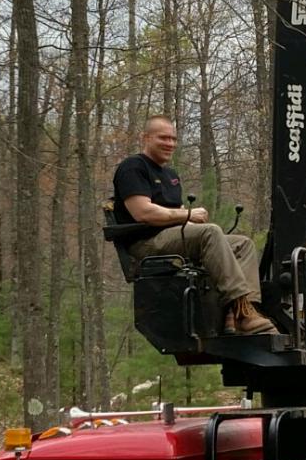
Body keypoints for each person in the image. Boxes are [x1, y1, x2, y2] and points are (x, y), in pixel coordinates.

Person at [112, 115, 275, 336]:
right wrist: (188, 214)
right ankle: (244, 313)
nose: (170, 143)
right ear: (146, 138)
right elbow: (143, 212)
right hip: (146, 244)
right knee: (210, 232)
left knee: (242, 244)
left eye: (173, 139)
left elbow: (176, 213)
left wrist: (185, 216)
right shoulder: (133, 167)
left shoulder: (170, 175)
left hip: (171, 237)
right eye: (163, 138)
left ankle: (240, 312)